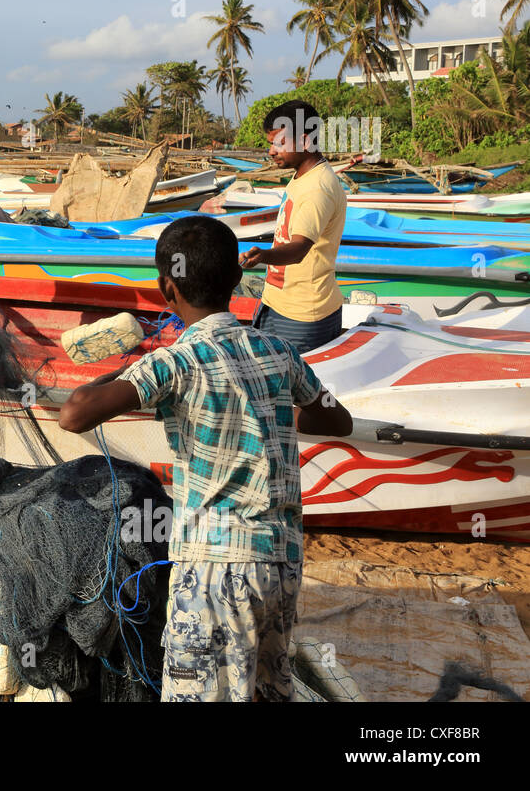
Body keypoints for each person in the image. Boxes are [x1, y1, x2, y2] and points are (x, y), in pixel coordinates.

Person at [58, 216, 352, 701]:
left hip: (217, 570)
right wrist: (265, 418)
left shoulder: (175, 360)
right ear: (237, 280)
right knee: (265, 691)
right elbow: (336, 420)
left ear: (166, 289)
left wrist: (121, 363)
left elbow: (75, 414)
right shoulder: (277, 350)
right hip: (282, 563)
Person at [240, 99, 347, 354]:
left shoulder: (317, 188)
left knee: (292, 388)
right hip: (278, 302)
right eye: (271, 143)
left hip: (302, 315)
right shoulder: (302, 177)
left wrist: (263, 255)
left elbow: (299, 248)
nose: (272, 152)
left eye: (280, 143)